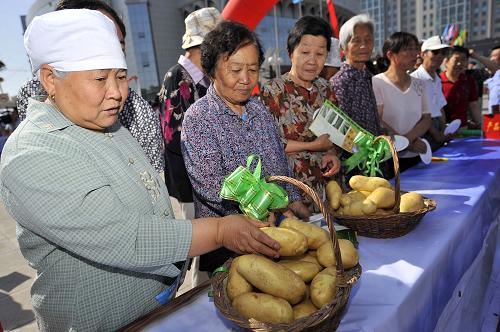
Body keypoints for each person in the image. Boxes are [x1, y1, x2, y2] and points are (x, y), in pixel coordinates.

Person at [1, 10, 280, 331]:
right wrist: (219, 231)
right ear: (50, 79)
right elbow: (124, 237)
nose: (117, 92)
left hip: (155, 311)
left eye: (120, 76)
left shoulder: (105, 123)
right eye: (100, 78)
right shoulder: (34, 153)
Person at [181, 21, 307, 274]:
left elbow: (278, 164)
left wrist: (293, 200)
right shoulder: (199, 118)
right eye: (235, 69)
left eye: (252, 69)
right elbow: (213, 187)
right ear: (212, 70)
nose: (246, 80)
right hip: (227, 244)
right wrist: (262, 209)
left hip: (274, 232)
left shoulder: (259, 110)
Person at [16, 0, 164, 174]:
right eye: (100, 78)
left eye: (118, 45)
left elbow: (154, 182)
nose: (115, 93)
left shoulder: (139, 114)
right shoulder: (32, 97)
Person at [261, 16, 341, 209]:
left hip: (326, 190)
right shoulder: (273, 90)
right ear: (291, 53)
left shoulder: (326, 88)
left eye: (320, 54)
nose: (312, 61)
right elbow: (267, 144)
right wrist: (316, 145)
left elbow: (336, 135)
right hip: (291, 191)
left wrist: (331, 153)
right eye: (305, 52)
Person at [158, 7, 220, 222]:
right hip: (188, 186)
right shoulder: (176, 76)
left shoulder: (205, 80)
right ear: (200, 46)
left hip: (207, 183)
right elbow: (173, 139)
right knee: (197, 249)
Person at [372, 32, 432, 172]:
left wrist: (407, 141)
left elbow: (426, 118)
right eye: (408, 49)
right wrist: (404, 143)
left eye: (415, 49)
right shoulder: (377, 82)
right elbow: (377, 119)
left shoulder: (420, 84)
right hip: (389, 158)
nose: (415, 54)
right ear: (391, 55)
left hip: (417, 154)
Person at [331, 14, 380, 136]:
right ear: (343, 47)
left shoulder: (366, 76)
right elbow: (342, 129)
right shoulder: (340, 81)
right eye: (356, 41)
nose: (363, 46)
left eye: (368, 40)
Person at [411, 35, 450, 151]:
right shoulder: (414, 79)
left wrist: (444, 130)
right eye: (435, 52)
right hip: (423, 131)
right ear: (423, 54)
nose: (440, 56)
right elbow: (419, 115)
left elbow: (440, 107)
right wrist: (436, 134)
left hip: (436, 128)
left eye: (443, 53)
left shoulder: (437, 79)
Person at [440, 46, 480, 128]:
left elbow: (473, 105)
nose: (460, 63)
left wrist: (481, 124)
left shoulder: (469, 80)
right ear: (446, 61)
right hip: (443, 129)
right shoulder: (437, 81)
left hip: (463, 129)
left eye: (463, 60)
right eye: (456, 60)